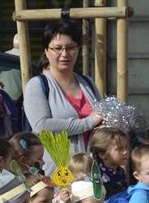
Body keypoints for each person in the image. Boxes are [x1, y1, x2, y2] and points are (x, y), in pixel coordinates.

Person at [23, 22, 103, 175]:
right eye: (57, 48)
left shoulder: (87, 83)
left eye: (71, 47)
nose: (65, 54)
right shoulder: (37, 85)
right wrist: (88, 123)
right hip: (58, 172)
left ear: (78, 50)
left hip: (92, 169)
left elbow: (101, 115)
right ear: (46, 51)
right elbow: (41, 125)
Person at [90, 127, 130, 197]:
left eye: (126, 147)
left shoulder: (120, 172)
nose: (125, 152)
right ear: (102, 154)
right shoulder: (97, 177)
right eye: (119, 149)